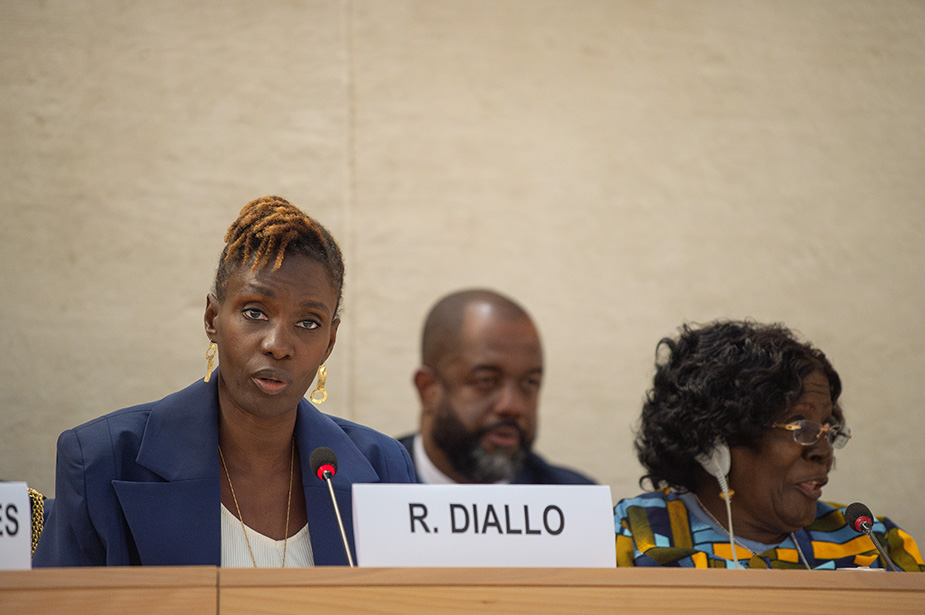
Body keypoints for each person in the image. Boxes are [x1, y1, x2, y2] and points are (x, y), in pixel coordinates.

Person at [33, 196, 415, 567]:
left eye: (308, 323)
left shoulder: (382, 470)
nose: (278, 345)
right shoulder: (104, 460)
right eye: (255, 312)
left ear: (329, 342)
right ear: (212, 319)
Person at [614, 320, 924, 571]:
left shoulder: (871, 543)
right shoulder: (632, 534)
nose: (823, 451)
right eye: (800, 426)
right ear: (714, 443)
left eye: (829, 429)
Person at [397, 289, 595, 485]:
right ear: (428, 389)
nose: (512, 407)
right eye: (486, 380)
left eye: (530, 383)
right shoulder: (373, 486)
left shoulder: (573, 503)